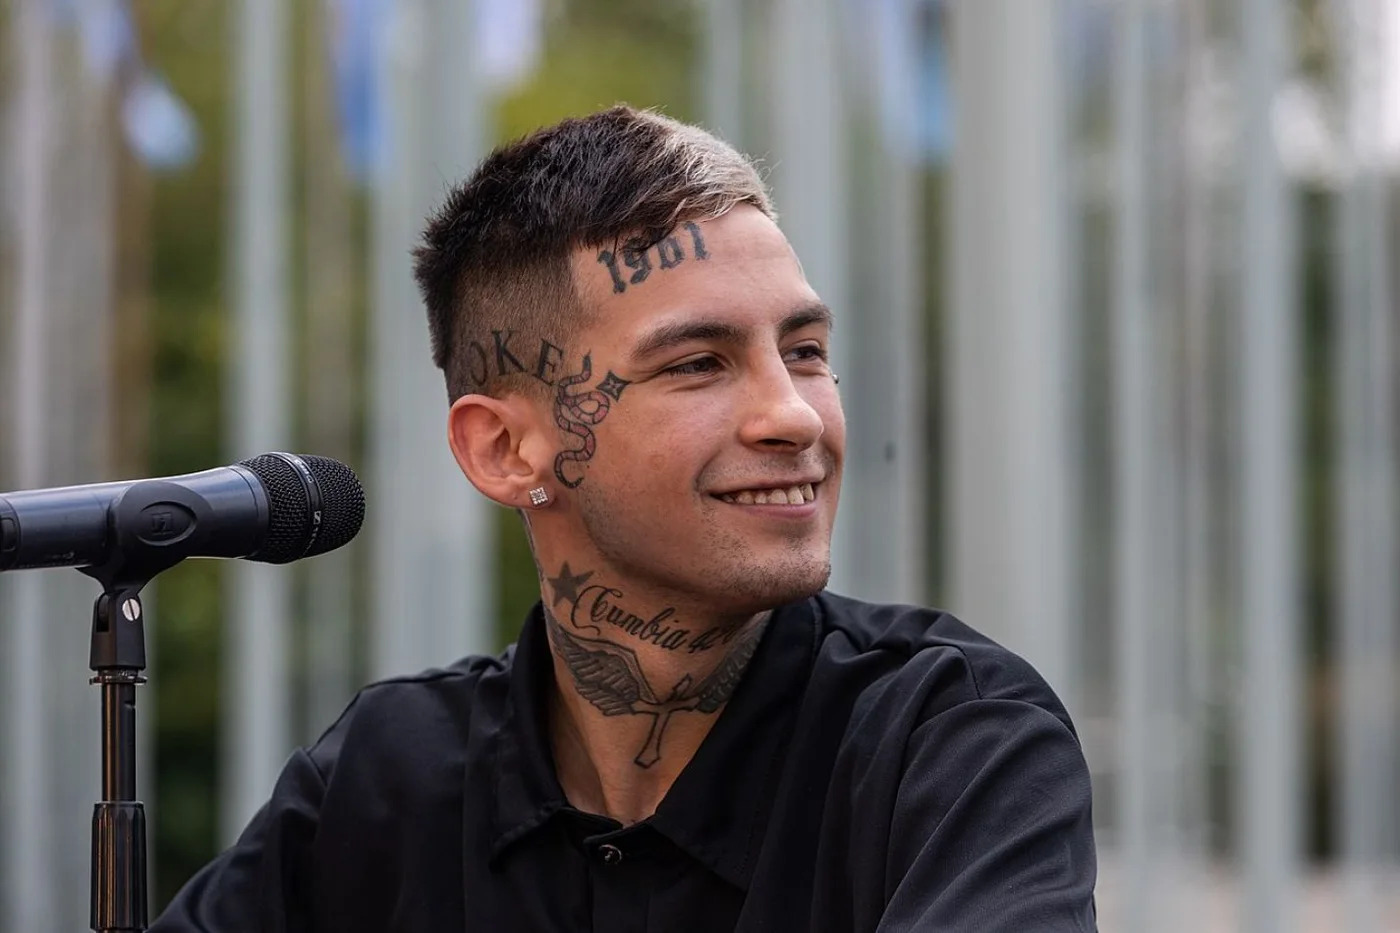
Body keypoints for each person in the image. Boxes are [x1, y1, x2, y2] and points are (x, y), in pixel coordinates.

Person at [151, 106, 1097, 932]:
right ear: (504, 449)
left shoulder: (954, 740)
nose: (795, 415)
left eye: (805, 350)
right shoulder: (384, 780)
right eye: (697, 364)